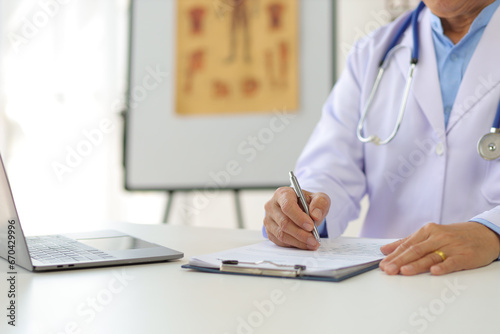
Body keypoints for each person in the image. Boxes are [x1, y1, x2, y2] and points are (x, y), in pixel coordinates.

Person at [263, 0, 500, 276]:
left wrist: (492, 232)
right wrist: (303, 210)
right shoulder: (372, 53)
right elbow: (330, 168)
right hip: (384, 280)